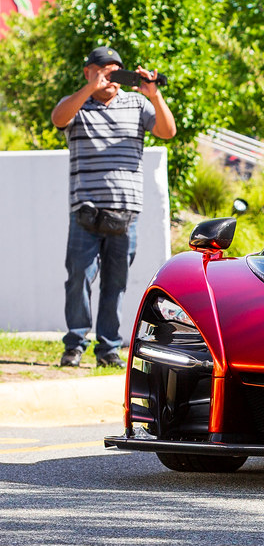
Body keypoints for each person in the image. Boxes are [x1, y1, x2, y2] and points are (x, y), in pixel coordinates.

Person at [51, 46, 176, 368]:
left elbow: (167, 132)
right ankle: (74, 344)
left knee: (115, 284)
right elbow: (58, 118)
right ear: (88, 72)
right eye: (104, 69)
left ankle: (108, 349)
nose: (111, 76)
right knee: (78, 279)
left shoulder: (137, 103)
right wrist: (90, 89)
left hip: (125, 212)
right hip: (85, 210)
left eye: (116, 70)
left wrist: (154, 95)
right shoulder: (77, 104)